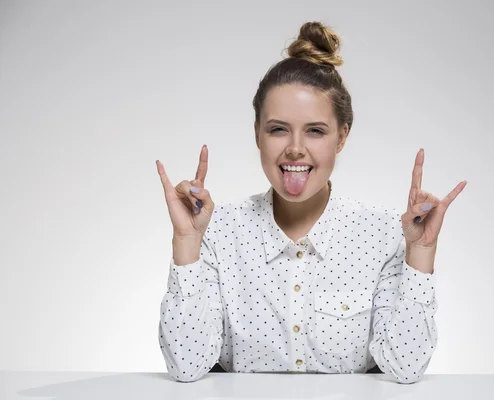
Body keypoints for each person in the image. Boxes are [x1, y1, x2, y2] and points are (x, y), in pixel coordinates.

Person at [155, 21, 467, 384]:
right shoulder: (217, 230)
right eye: (277, 128)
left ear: (342, 136)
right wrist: (187, 243)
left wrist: (421, 254)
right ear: (258, 133)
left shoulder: (385, 234)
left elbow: (406, 367)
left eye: (315, 131)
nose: (295, 148)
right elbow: (186, 367)